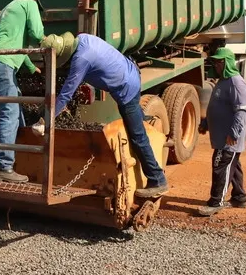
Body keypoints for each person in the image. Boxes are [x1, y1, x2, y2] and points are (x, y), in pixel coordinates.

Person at [39, 32, 169, 198]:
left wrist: (46, 119)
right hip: (131, 72)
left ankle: (158, 180)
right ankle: (146, 124)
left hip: (126, 89)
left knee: (138, 137)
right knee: (137, 123)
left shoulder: (81, 60)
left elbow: (66, 95)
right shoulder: (84, 38)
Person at [0, 0, 46, 184]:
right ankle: (4, 167)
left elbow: (13, 41)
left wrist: (31, 67)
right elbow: (37, 35)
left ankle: (19, 148)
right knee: (9, 111)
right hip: (2, 61)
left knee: (15, 102)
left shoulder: (9, 7)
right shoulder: (29, 5)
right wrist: (53, 44)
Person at [197, 47, 246, 216]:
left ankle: (216, 201)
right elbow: (217, 106)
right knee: (232, 166)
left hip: (229, 137)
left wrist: (234, 133)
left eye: (219, 62)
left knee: (220, 165)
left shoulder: (236, 82)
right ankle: (239, 197)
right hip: (222, 136)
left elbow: (242, 110)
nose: (216, 65)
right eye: (215, 62)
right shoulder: (223, 81)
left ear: (227, 63)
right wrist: (206, 123)